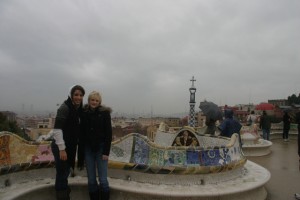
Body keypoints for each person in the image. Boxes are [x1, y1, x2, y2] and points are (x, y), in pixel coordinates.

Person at [50, 85, 85, 200]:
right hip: (61, 147)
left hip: (69, 146)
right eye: (76, 94)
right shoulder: (65, 108)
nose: (78, 97)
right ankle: (62, 196)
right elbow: (57, 129)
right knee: (62, 174)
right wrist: (62, 149)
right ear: (71, 95)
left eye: (80, 95)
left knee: (64, 173)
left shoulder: (78, 109)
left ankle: (64, 194)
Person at [79, 91, 112, 200]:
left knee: (102, 179)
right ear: (89, 101)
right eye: (92, 100)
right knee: (91, 180)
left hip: (101, 148)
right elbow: (82, 133)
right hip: (88, 149)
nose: (94, 102)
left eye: (96, 100)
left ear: (99, 102)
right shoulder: (83, 113)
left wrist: (106, 152)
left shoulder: (105, 114)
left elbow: (109, 133)